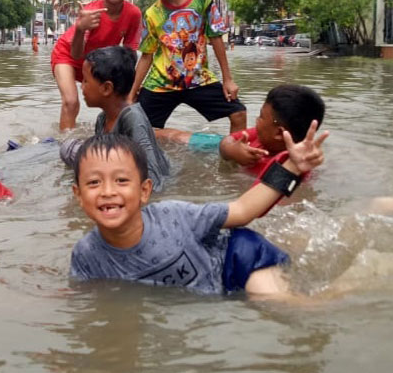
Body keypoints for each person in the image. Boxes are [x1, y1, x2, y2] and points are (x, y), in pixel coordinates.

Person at [69, 127, 326, 298]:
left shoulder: (174, 216)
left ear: (145, 190)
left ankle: (349, 288)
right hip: (208, 292)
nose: (107, 191)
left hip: (238, 262)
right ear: (78, 195)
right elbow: (86, 296)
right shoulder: (86, 255)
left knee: (285, 309)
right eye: (93, 183)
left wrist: (292, 167)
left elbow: (243, 210)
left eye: (122, 181)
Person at [128, 0, 246, 133]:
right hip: (161, 83)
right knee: (138, 127)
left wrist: (228, 79)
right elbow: (146, 56)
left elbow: (215, 37)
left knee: (238, 113)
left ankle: (235, 161)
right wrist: (132, 92)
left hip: (199, 79)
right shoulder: (152, 14)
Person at [59, 46, 171, 191]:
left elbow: (154, 179)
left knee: (70, 149)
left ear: (106, 88)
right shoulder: (102, 119)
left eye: (86, 81)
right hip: (120, 171)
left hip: (144, 180)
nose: (82, 88)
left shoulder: (132, 118)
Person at [51, 0, 142, 130]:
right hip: (67, 56)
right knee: (71, 102)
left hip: (97, 63)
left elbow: (129, 55)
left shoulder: (134, 14)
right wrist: (79, 28)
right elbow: (76, 54)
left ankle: (112, 138)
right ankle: (64, 144)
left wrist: (130, 90)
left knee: (120, 102)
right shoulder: (92, 13)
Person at [159, 84, 325, 178]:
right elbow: (226, 142)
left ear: (279, 133)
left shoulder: (291, 168)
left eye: (260, 117)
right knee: (175, 136)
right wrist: (233, 149)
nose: (256, 121)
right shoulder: (259, 135)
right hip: (219, 148)